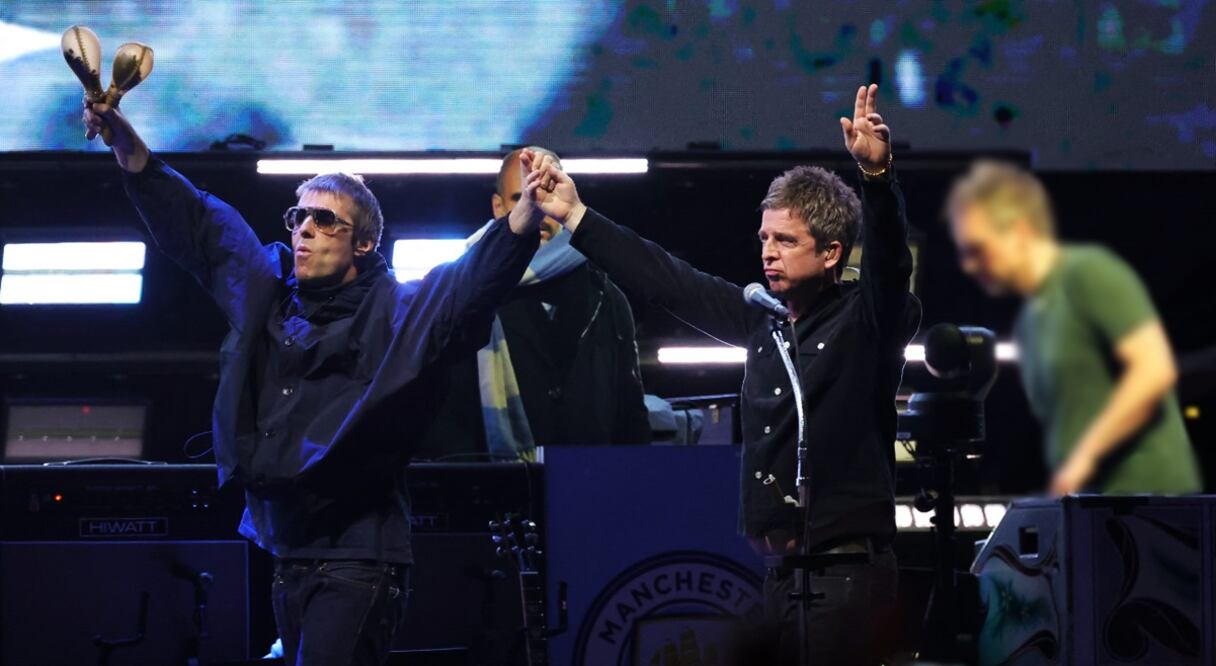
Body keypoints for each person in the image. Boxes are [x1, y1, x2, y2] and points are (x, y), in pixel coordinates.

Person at [82, 99, 546, 665]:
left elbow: (466, 287)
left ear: (364, 243)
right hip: (286, 552)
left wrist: (521, 218)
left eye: (326, 220)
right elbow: (202, 227)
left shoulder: (398, 312)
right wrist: (125, 144)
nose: (305, 228)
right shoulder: (267, 295)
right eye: (299, 216)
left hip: (359, 559)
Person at [527, 84, 920, 664]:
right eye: (765, 237)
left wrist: (878, 179)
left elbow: (890, 265)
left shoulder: (867, 322)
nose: (769, 252)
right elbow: (666, 278)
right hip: (779, 577)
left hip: (846, 579)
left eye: (786, 241)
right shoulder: (763, 320)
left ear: (832, 253)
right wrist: (576, 217)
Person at [946, 160, 1201, 494]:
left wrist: (1083, 459)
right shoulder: (1029, 320)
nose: (968, 266)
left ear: (1020, 231)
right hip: (1094, 503)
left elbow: (1154, 370)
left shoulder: (1088, 273)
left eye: (977, 250)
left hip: (1149, 502)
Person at [416, 147, 650, 461]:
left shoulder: (606, 295)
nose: (536, 208)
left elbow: (629, 412)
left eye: (546, 192)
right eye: (521, 197)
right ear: (498, 207)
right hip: (488, 488)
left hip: (589, 485)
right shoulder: (460, 288)